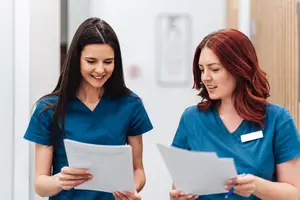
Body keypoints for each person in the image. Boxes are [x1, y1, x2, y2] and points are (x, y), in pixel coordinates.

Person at [23, 17, 153, 200]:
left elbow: (138, 170)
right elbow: (40, 185)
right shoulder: (48, 110)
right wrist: (60, 180)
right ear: (77, 60)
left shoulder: (131, 105)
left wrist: (132, 188)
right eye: (91, 61)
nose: (100, 70)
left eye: (108, 62)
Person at [169, 29, 300, 200]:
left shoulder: (277, 119)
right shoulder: (191, 119)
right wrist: (179, 196)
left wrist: (257, 187)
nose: (205, 78)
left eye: (214, 69)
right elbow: (179, 184)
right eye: (202, 70)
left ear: (239, 68)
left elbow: (295, 193)